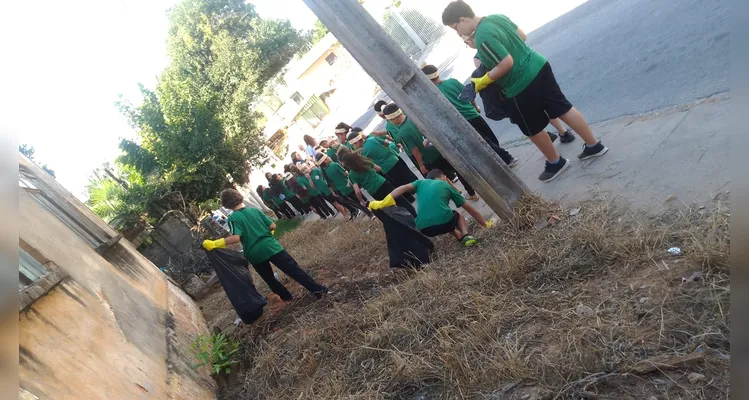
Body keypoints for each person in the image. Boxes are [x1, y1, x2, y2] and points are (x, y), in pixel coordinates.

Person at [442, 1, 608, 182]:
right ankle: (594, 145)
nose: (458, 33)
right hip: (538, 65)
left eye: (455, 28)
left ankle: (555, 163)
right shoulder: (496, 17)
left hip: (520, 84)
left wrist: (485, 79)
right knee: (563, 108)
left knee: (531, 128)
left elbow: (506, 63)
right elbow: (522, 36)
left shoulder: (482, 36)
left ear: (463, 19)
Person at [203, 189, 329, 300]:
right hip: (271, 246)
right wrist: (267, 235)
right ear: (238, 196)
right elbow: (273, 225)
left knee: (270, 279)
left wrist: (216, 243)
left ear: (226, 204)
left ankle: (287, 297)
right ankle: (318, 290)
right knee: (294, 270)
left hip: (255, 254)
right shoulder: (254, 210)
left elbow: (236, 237)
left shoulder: (233, 219)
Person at [420, 64, 518, 167]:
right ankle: (501, 157)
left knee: (485, 142)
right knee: (490, 137)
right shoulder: (452, 82)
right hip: (474, 114)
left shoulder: (433, 93)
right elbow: (469, 95)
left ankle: (507, 159)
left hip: (463, 122)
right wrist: (475, 107)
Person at [369, 169, 493, 247]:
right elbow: (471, 210)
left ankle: (458, 236)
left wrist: (386, 201)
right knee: (457, 216)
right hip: (444, 222)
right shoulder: (446, 185)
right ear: (444, 177)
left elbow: (404, 188)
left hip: (424, 229)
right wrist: (485, 224)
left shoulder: (420, 183)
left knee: (442, 213)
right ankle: (466, 236)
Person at [382, 103, 479, 201]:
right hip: (439, 150)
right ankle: (471, 193)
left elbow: (415, 150)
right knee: (458, 171)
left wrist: (421, 165)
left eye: (390, 120)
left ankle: (458, 197)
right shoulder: (414, 117)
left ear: (394, 118)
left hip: (429, 159)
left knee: (441, 180)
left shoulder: (402, 132)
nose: (391, 122)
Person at [347, 130, 418, 203]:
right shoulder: (372, 139)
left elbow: (367, 163)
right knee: (407, 174)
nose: (354, 147)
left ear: (357, 142)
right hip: (394, 159)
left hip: (386, 168)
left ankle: (410, 198)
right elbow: (386, 143)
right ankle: (419, 186)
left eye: (353, 145)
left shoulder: (363, 152)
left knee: (397, 183)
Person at [339, 151, 417, 217]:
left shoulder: (352, 174)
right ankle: (414, 215)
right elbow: (378, 169)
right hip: (383, 183)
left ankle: (406, 220)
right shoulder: (364, 162)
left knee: (389, 208)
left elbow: (357, 191)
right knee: (400, 200)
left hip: (375, 191)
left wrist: (361, 201)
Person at [316, 152, 373, 220]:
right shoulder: (334, 164)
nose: (329, 157)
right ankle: (373, 209)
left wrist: (333, 192)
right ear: (325, 160)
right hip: (350, 185)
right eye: (327, 157)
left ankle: (369, 214)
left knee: (358, 202)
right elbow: (346, 173)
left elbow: (330, 183)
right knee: (363, 198)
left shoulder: (324, 171)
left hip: (342, 190)